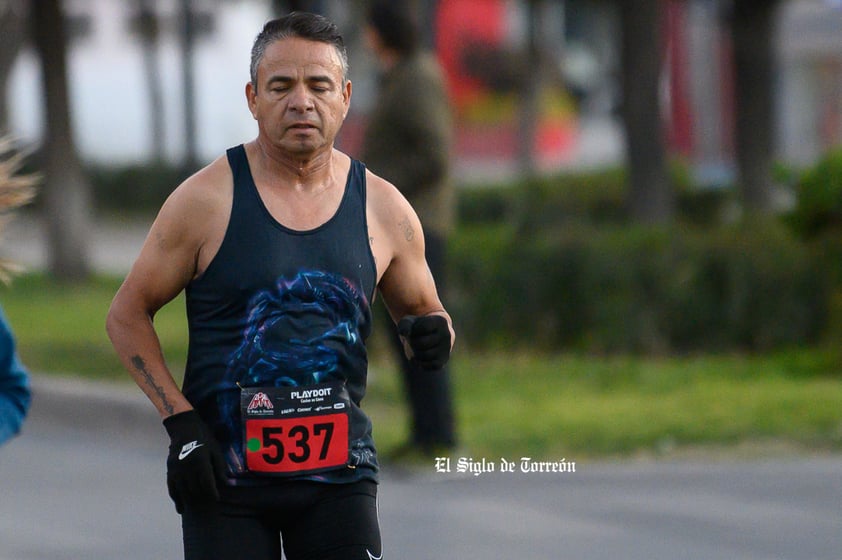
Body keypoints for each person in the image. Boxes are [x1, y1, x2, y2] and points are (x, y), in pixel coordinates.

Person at [106, 11, 454, 560]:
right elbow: (126, 315)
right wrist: (183, 424)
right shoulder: (204, 201)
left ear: (344, 95)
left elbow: (424, 316)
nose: (301, 101)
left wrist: (436, 335)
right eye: (281, 86)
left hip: (341, 478)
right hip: (226, 483)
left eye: (318, 86)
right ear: (252, 97)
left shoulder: (385, 208)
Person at [360, 1, 458, 457]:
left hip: (417, 223)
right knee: (406, 332)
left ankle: (437, 433)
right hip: (399, 226)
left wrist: (385, 190)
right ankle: (426, 431)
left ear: (381, 33)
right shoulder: (400, 75)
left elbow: (433, 154)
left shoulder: (417, 77)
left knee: (422, 326)